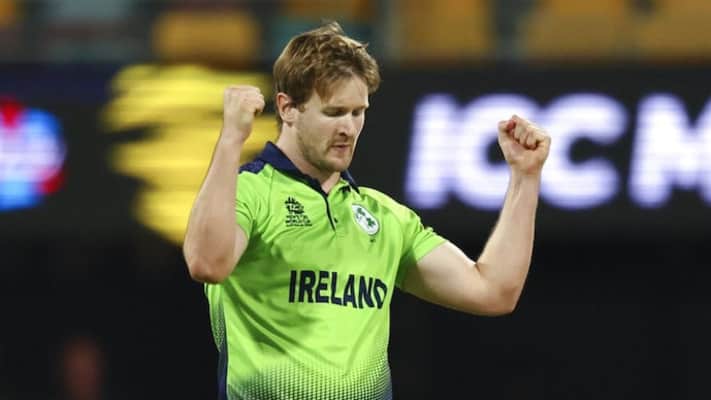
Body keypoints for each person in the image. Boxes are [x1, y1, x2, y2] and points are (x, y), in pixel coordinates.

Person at [183, 21, 551, 400]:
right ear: (287, 107)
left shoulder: (386, 218)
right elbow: (207, 263)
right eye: (334, 112)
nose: (349, 128)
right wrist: (231, 139)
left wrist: (525, 177)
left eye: (358, 112)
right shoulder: (249, 191)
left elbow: (494, 291)